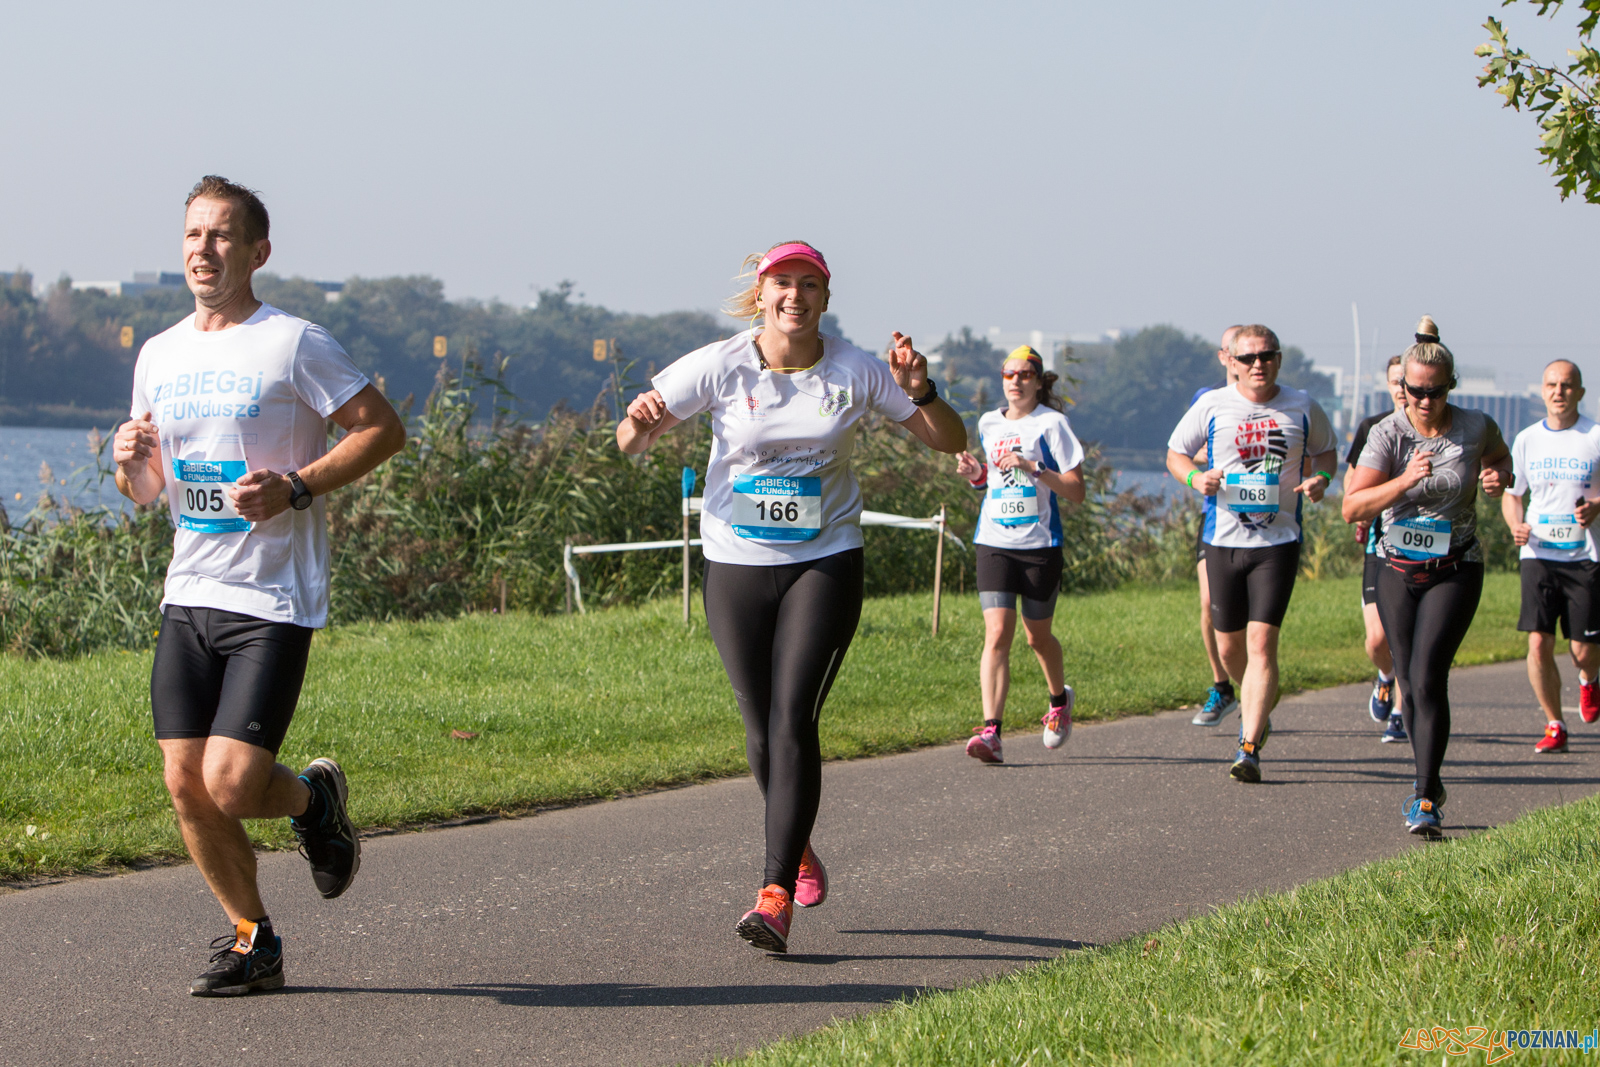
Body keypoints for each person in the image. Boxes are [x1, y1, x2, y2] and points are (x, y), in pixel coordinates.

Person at [616, 241, 966, 953]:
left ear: (826, 299)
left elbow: (945, 441)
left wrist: (922, 389)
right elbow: (629, 440)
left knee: (792, 715)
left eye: (809, 285)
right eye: (782, 283)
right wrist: (642, 417)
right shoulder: (721, 363)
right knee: (756, 719)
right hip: (736, 560)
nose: (794, 297)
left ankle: (773, 894)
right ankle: (798, 842)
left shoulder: (857, 369)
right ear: (761, 291)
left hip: (825, 559)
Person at [112, 177, 405, 995]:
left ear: (256, 252)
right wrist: (129, 465)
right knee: (183, 780)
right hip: (190, 590)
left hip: (272, 596)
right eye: (193, 235)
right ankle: (253, 939)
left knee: (234, 782)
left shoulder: (293, 342)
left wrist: (296, 487)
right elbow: (151, 492)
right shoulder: (160, 353)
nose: (203, 250)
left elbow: (384, 428)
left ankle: (313, 803)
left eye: (222, 237)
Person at [1343, 320, 1511, 837]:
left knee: (1430, 673)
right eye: (1413, 390)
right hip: (1397, 568)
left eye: (1433, 392)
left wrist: (1496, 476)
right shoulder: (1386, 434)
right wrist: (1404, 480)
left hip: (1456, 567)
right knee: (1409, 684)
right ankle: (1430, 783)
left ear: (1449, 386)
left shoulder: (1475, 425)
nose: (1421, 400)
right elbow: (1353, 506)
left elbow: (1501, 459)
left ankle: (1423, 797)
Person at [1167, 324, 1338, 783]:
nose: (1257, 365)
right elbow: (1175, 454)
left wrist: (1321, 480)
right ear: (1232, 362)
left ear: (1279, 360)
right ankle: (1257, 702)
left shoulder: (1302, 405)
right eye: (1248, 358)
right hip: (1223, 540)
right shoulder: (1212, 405)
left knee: (1262, 643)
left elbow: (1326, 452)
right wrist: (1193, 479)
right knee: (1228, 648)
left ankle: (1249, 744)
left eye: (1267, 356)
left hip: (1276, 544)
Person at [954, 345, 1086, 763]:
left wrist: (1034, 468)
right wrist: (977, 476)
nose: (1016, 381)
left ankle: (1058, 701)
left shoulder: (1052, 424)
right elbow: (994, 480)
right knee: (996, 635)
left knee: (1037, 637)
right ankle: (991, 731)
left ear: (1038, 381)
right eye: (1009, 374)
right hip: (993, 540)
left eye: (1025, 375)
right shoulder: (989, 422)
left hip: (1039, 546)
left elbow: (1077, 491)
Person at [1502, 359, 1600, 754]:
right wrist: (1515, 526)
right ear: (1542, 391)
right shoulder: (1527, 439)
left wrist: (1596, 505)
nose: (1559, 392)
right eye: (1552, 385)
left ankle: (1589, 680)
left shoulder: (1594, 436)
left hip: (1585, 554)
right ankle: (1554, 723)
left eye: (1567, 385)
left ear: (1580, 392)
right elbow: (1513, 495)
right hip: (1538, 552)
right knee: (1539, 643)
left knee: (1582, 651)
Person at [1348, 355, 1409, 743]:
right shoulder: (1374, 428)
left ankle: (1401, 714)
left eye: (1409, 380)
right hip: (1380, 545)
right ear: (1388, 386)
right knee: (1377, 640)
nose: (1403, 388)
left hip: (1421, 547)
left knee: (1405, 635)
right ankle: (1385, 676)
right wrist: (1362, 513)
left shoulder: (1440, 430)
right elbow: (1353, 484)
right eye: (1396, 382)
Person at [1189, 325, 1245, 726]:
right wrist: (1200, 464)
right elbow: (1181, 453)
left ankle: (1256, 690)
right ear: (1223, 356)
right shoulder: (1207, 401)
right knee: (1209, 604)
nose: (1245, 361)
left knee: (1254, 616)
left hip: (1263, 525)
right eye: (1235, 352)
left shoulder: (1275, 404)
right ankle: (1222, 686)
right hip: (1216, 518)